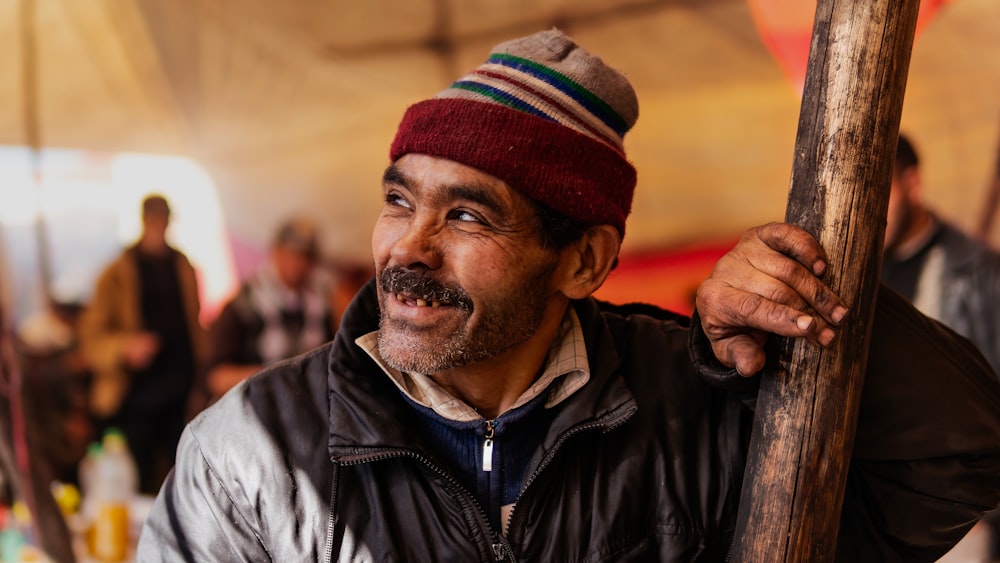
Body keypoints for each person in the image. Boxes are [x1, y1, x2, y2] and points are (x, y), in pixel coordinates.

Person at [138, 30, 1000, 561]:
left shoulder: (699, 408)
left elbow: (958, 459)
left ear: (584, 261)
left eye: (468, 215)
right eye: (399, 199)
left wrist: (816, 315)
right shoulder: (250, 452)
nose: (408, 246)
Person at [78, 195, 207, 495]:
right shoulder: (117, 273)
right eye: (154, 218)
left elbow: (194, 324)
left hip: (180, 396)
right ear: (144, 220)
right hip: (134, 399)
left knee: (184, 483)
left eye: (163, 218)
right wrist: (125, 347)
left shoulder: (182, 266)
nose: (158, 225)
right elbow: (91, 339)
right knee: (135, 484)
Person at [882, 133, 1000, 373]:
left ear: (912, 184)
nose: (871, 207)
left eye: (882, 191)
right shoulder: (859, 273)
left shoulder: (979, 271)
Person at [204, 217, 336, 402]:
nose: (299, 264)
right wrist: (273, 377)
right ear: (277, 253)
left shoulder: (320, 304)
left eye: (306, 256)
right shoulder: (244, 305)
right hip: (255, 406)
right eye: (292, 254)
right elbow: (216, 378)